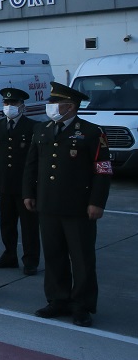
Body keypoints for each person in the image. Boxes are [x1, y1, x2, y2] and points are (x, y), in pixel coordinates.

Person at [23, 82, 112, 328]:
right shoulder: (42, 129)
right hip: (48, 205)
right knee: (54, 255)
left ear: (70, 106)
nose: (50, 106)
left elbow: (102, 170)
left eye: (55, 102)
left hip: (78, 207)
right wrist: (28, 193)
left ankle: (82, 305)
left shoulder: (92, 132)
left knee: (82, 258)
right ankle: (57, 299)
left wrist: (97, 202)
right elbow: (32, 165)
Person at [0, 87, 40, 275]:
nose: (9, 106)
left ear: (22, 106)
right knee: (7, 223)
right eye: (6, 103)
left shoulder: (33, 127)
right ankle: (9, 255)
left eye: (13, 103)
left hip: (26, 185)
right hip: (4, 183)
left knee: (29, 225)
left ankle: (31, 260)